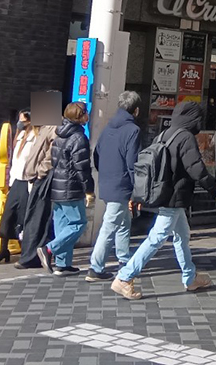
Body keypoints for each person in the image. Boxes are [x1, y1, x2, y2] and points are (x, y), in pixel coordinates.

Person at [112, 101, 216, 300]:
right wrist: (215, 189)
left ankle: (190, 277)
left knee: (182, 235)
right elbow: (196, 168)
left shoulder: (164, 134)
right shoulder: (185, 137)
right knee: (157, 237)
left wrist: (137, 195)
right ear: (193, 119)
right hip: (174, 196)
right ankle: (125, 277)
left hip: (165, 194)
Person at [85, 91, 143, 281]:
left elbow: (97, 154)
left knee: (124, 221)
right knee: (110, 225)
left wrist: (104, 172)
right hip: (122, 184)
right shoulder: (133, 130)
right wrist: (137, 188)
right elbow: (133, 162)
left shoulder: (108, 127)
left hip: (107, 181)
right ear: (136, 110)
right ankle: (96, 267)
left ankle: (124, 259)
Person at [44, 102, 93, 276]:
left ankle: (63, 264)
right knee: (78, 223)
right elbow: (82, 168)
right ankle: (50, 249)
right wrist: (89, 189)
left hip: (57, 187)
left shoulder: (59, 135)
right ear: (81, 116)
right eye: (86, 113)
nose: (88, 115)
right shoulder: (79, 137)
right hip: (71, 188)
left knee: (62, 225)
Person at [0, 110, 37, 263]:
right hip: (16, 180)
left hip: (27, 180)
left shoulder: (35, 137)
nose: (20, 123)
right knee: (8, 215)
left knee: (23, 217)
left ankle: (26, 251)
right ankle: (3, 249)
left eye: (23, 120)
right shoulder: (20, 136)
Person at [14, 116, 57, 269]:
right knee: (33, 217)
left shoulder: (54, 128)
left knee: (39, 218)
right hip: (35, 177)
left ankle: (33, 256)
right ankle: (29, 256)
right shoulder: (45, 127)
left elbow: (51, 154)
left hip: (44, 178)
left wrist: (41, 172)